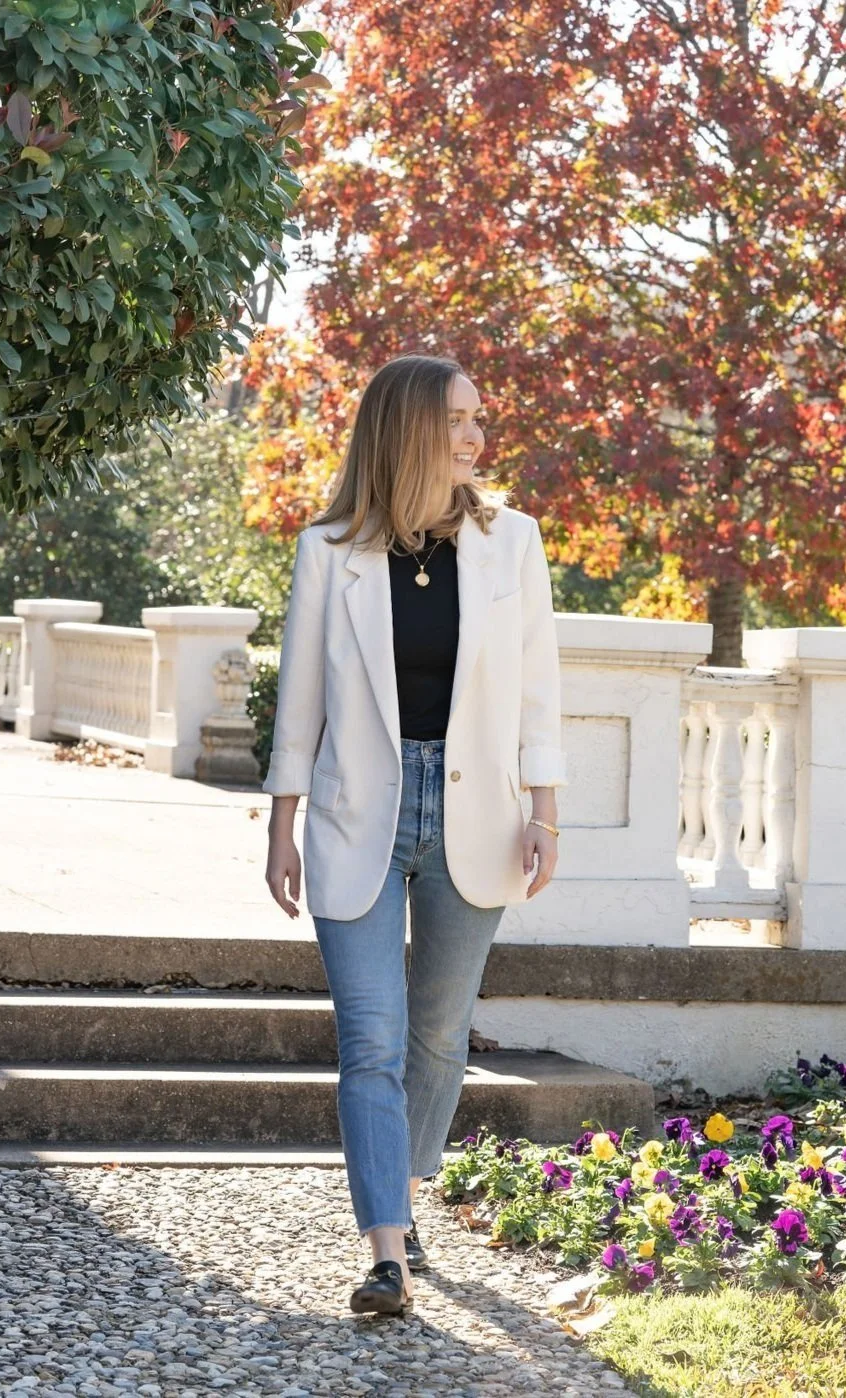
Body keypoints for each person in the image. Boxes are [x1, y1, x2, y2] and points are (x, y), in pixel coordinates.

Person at [262, 353, 567, 1317]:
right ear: (403, 432)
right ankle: (385, 1253)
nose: (475, 437)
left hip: (474, 813)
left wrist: (545, 810)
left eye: (479, 419)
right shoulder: (331, 548)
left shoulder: (512, 541)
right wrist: (282, 824)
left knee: (437, 1036)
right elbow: (299, 701)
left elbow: (537, 689)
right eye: (454, 422)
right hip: (362, 812)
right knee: (372, 1041)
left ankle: (404, 1185)